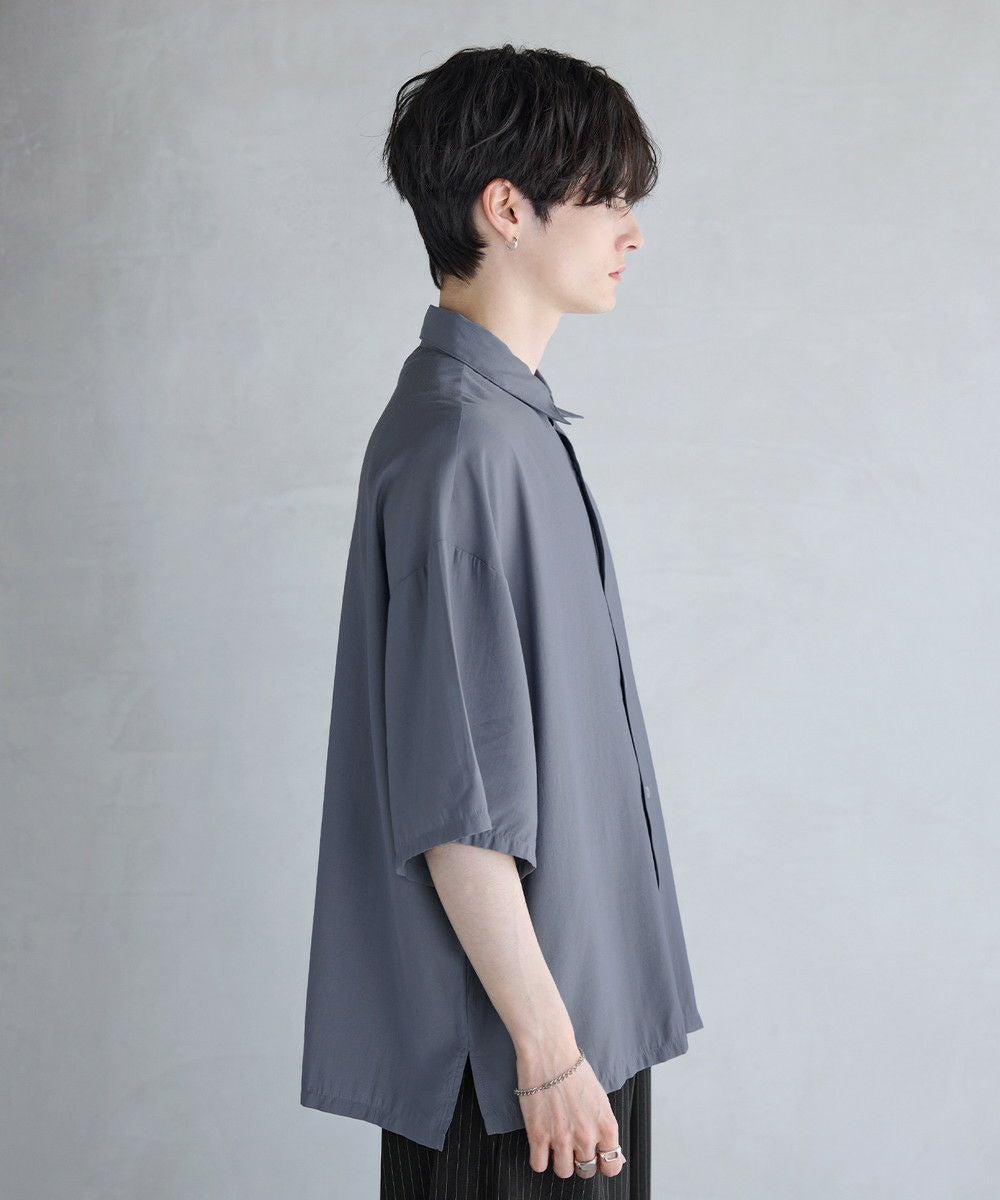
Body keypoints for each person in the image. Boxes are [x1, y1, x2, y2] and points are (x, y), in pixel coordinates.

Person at [300, 44, 704, 1198]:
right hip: (515, 1068)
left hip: (564, 1033)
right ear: (507, 208)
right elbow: (458, 807)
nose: (632, 231)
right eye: (608, 196)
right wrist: (547, 1051)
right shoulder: (465, 449)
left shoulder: (504, 427)